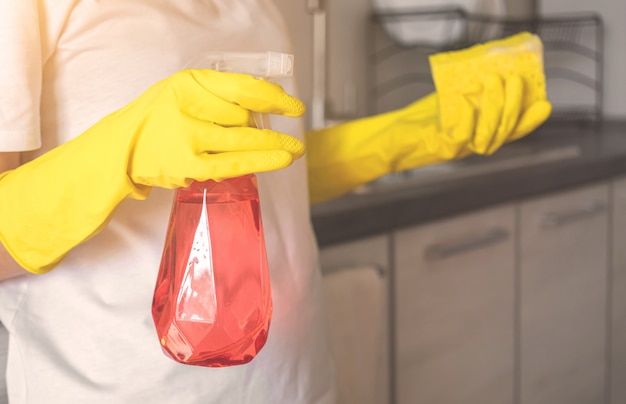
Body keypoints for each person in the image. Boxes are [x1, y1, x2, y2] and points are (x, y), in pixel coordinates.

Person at [0, 1, 551, 403]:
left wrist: (409, 136)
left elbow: (269, 182)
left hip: (296, 379)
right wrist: (118, 153)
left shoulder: (263, 6)